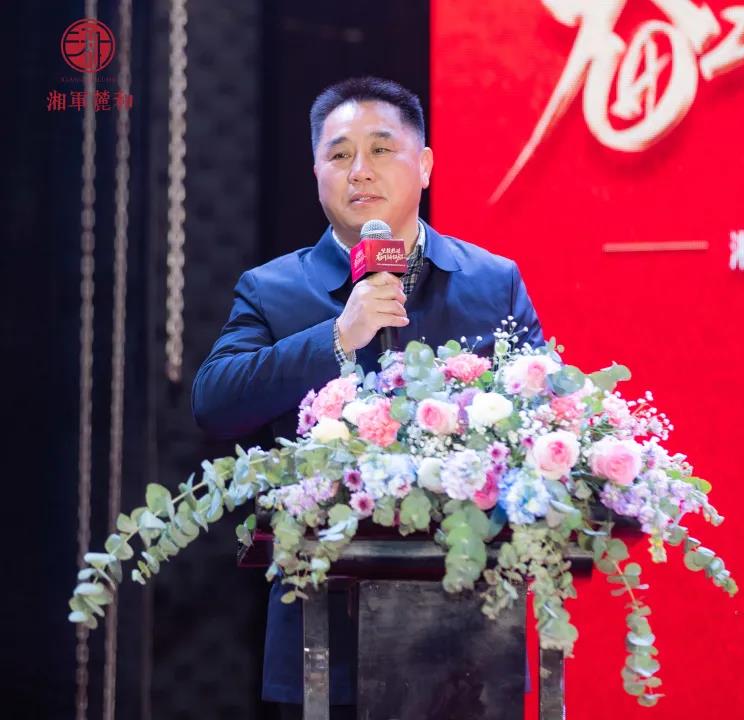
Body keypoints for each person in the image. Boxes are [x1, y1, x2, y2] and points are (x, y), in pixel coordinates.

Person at [191, 77, 544, 718]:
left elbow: (542, 424)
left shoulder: (492, 283)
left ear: (425, 165)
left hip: (475, 630)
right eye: (339, 154)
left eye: (381, 149)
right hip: (324, 636)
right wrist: (336, 337)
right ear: (317, 173)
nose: (360, 170)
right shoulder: (272, 289)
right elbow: (214, 403)